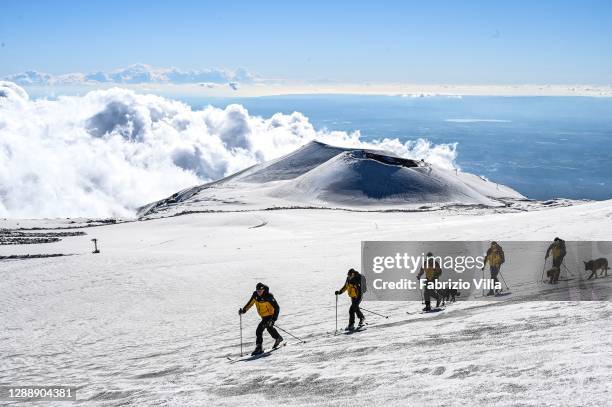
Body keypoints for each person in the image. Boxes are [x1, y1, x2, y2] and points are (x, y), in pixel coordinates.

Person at [238, 282, 282, 355]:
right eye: (258, 291)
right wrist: (243, 310)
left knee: (259, 330)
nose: (259, 292)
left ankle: (259, 347)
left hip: (270, 315)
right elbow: (250, 303)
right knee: (269, 328)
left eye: (261, 291)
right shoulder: (255, 296)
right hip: (263, 316)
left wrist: (273, 319)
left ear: (263, 290)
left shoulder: (268, 296)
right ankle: (278, 338)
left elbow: (277, 307)